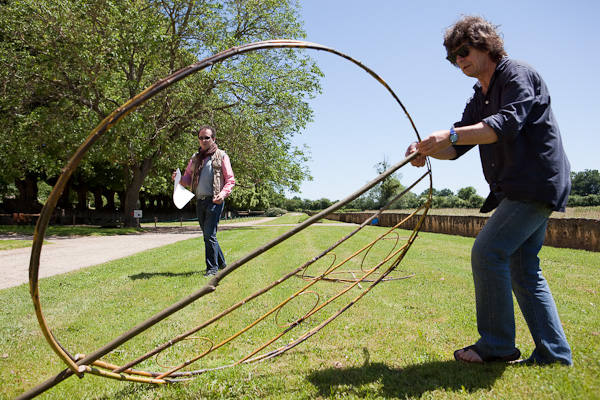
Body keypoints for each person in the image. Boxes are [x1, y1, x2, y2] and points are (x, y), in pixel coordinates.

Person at [406, 15, 572, 365]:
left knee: (487, 252)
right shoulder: (478, 97)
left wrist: (450, 135)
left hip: (535, 182)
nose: (459, 60)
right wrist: (427, 150)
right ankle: (554, 355)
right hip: (518, 187)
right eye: (452, 57)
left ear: (485, 44)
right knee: (522, 266)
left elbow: (506, 124)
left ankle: (497, 346)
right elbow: (458, 147)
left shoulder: (516, 74)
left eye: (464, 50)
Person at [174, 125, 235, 276]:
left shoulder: (222, 156)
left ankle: (212, 269)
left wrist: (223, 194)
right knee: (209, 235)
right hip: (199, 201)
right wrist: (179, 179)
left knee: (209, 235)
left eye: (207, 137)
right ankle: (221, 263)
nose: (203, 140)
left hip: (215, 201)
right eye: (201, 138)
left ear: (213, 138)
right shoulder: (195, 158)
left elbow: (230, 180)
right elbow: (188, 179)